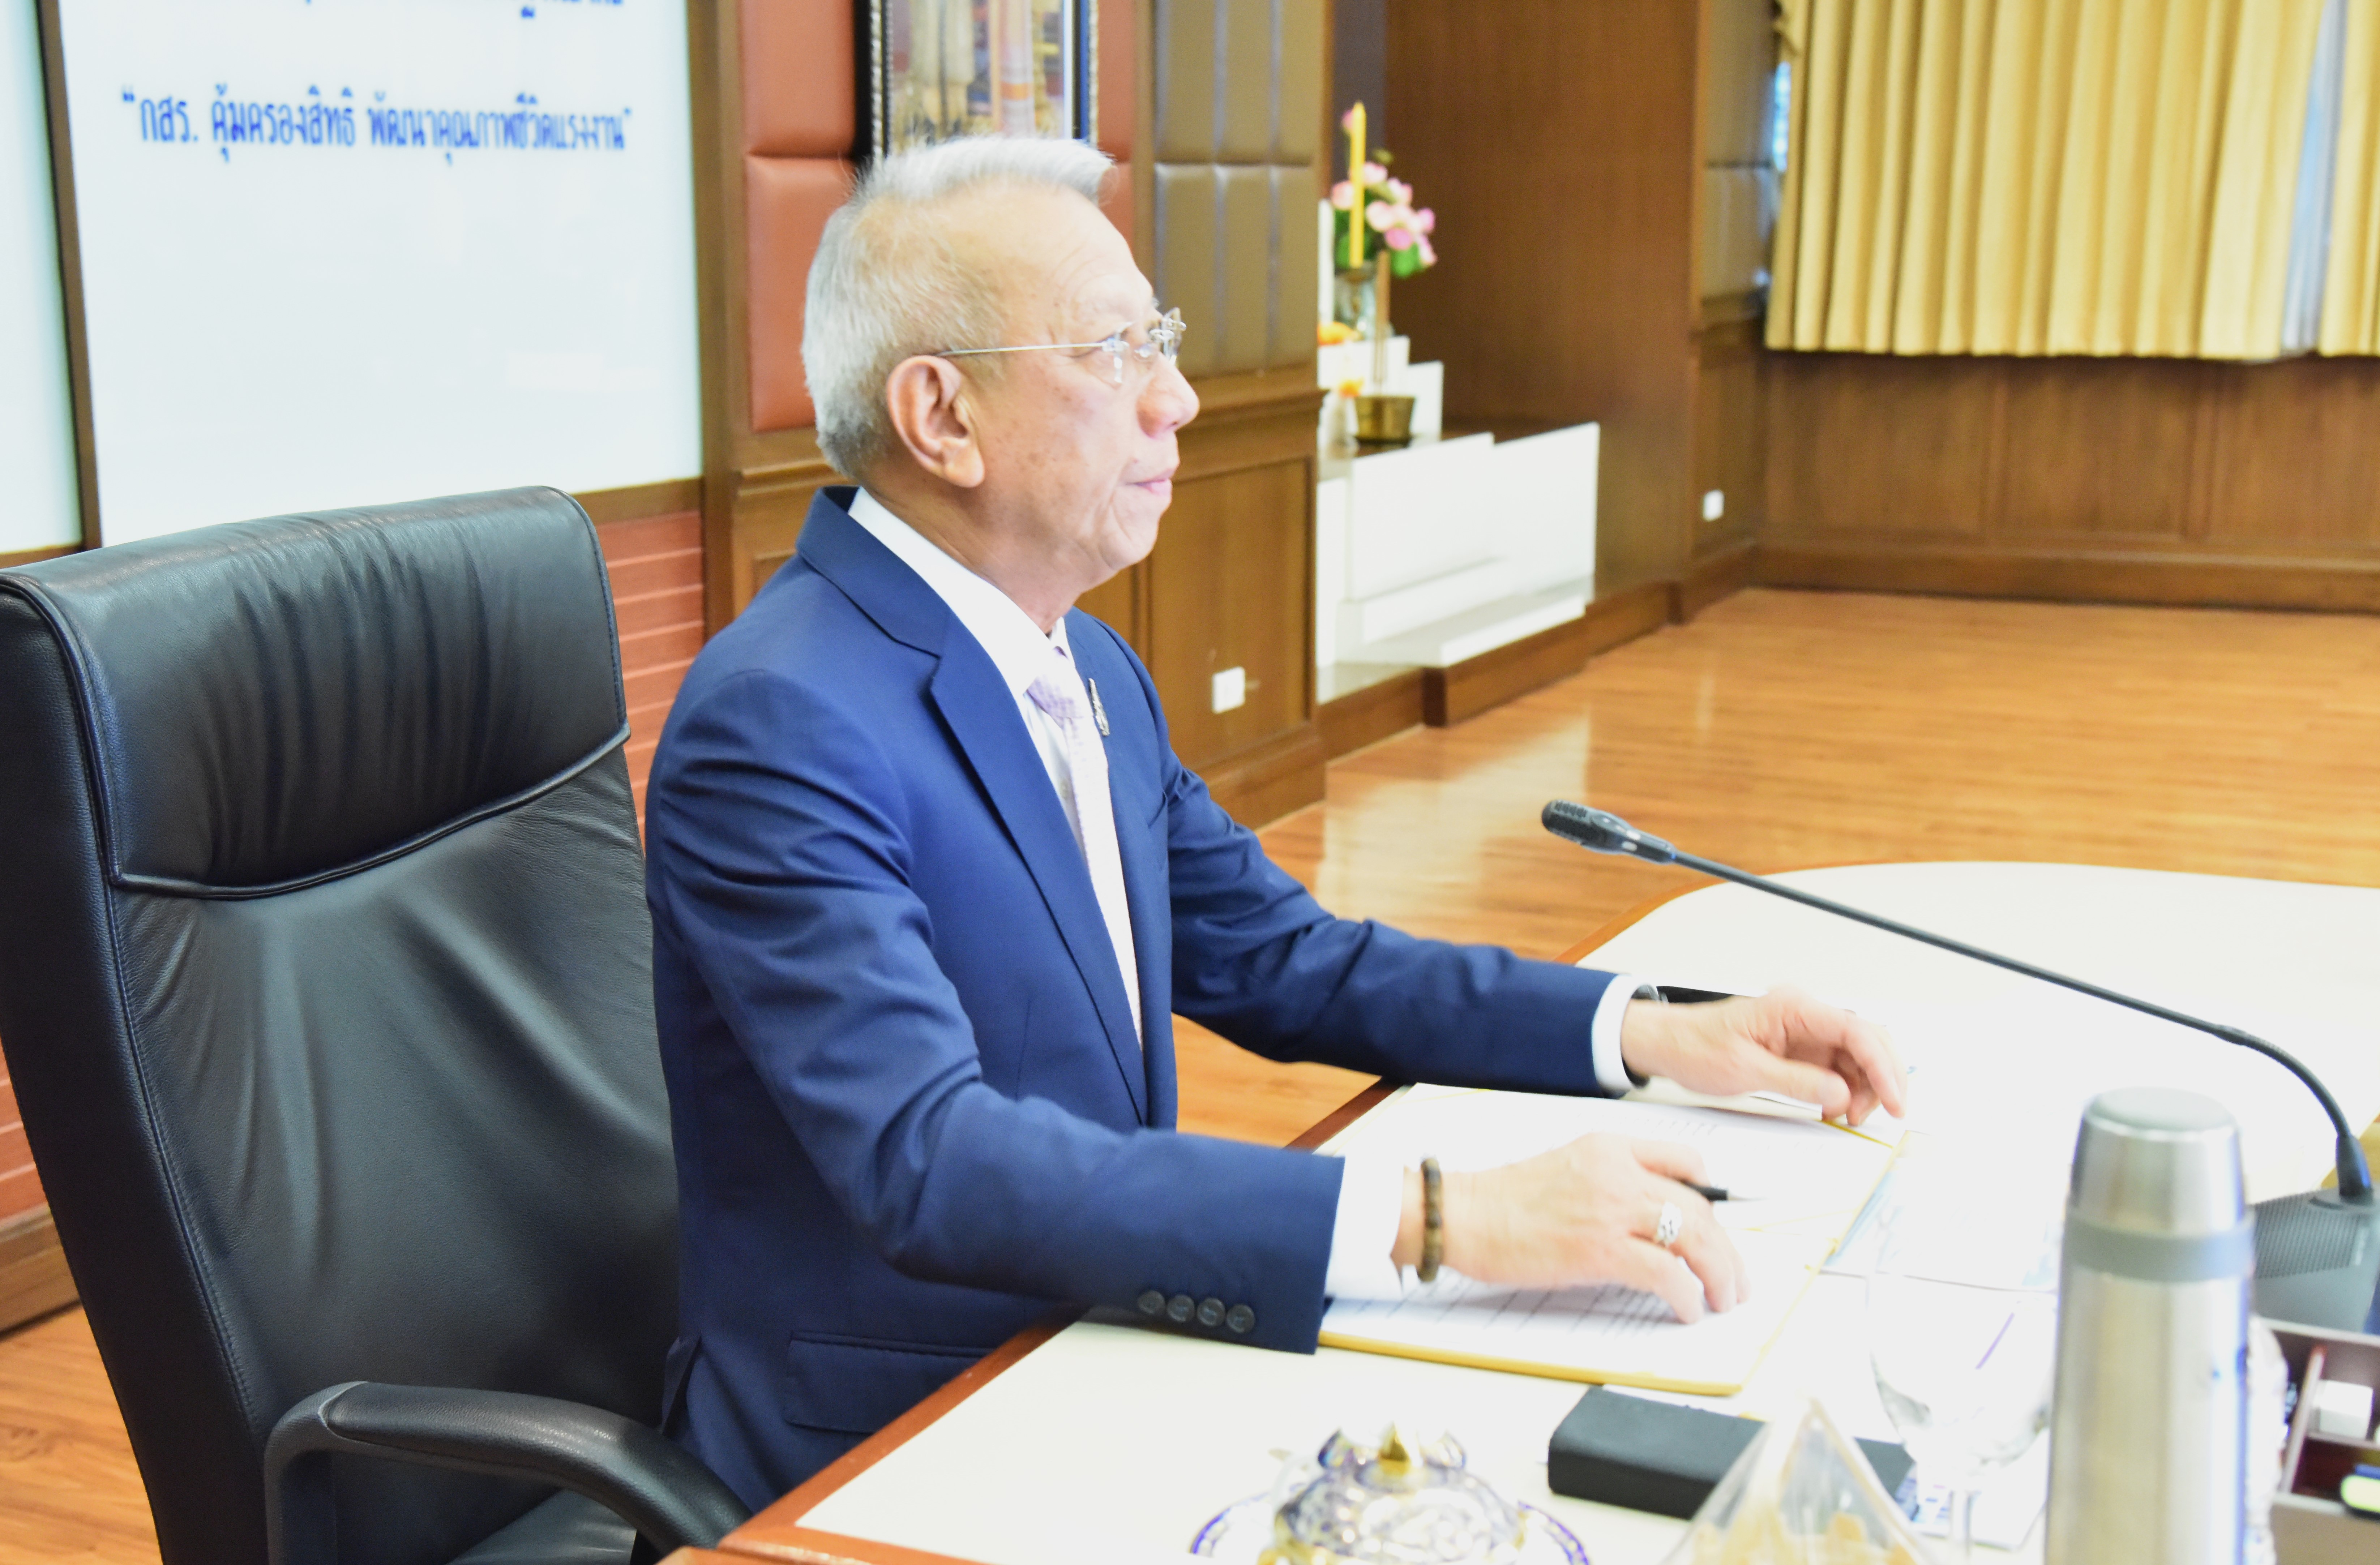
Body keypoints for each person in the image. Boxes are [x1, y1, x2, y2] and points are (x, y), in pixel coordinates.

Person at [642, 135, 1905, 1507]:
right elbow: (932, 1158)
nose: (1176, 397)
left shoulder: (1081, 658)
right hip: (886, 1448)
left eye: (1161, 340)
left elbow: (1291, 961)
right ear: (941, 415)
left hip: (1101, 1344)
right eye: (1114, 350)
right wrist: (1448, 1219)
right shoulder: (781, 719)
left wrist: (1657, 1029)